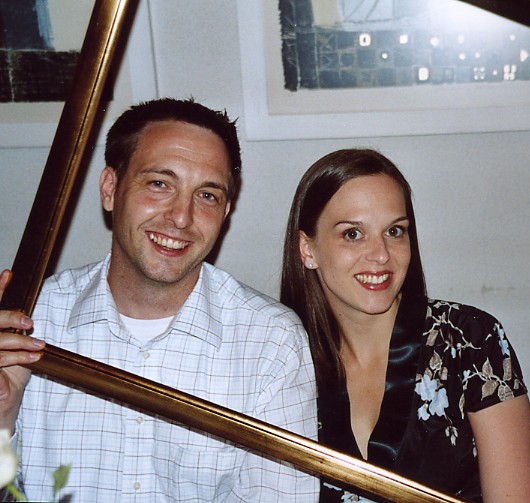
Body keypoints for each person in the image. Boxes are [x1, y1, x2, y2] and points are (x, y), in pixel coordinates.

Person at [0, 98, 318, 501]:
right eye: (159, 184)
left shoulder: (270, 340)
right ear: (110, 189)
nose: (181, 217)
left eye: (207, 195)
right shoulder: (31, 317)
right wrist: (3, 416)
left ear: (226, 212)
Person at [280, 148, 530, 502]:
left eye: (395, 231)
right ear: (307, 249)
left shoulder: (472, 341)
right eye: (353, 234)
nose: (381, 254)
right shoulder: (282, 359)